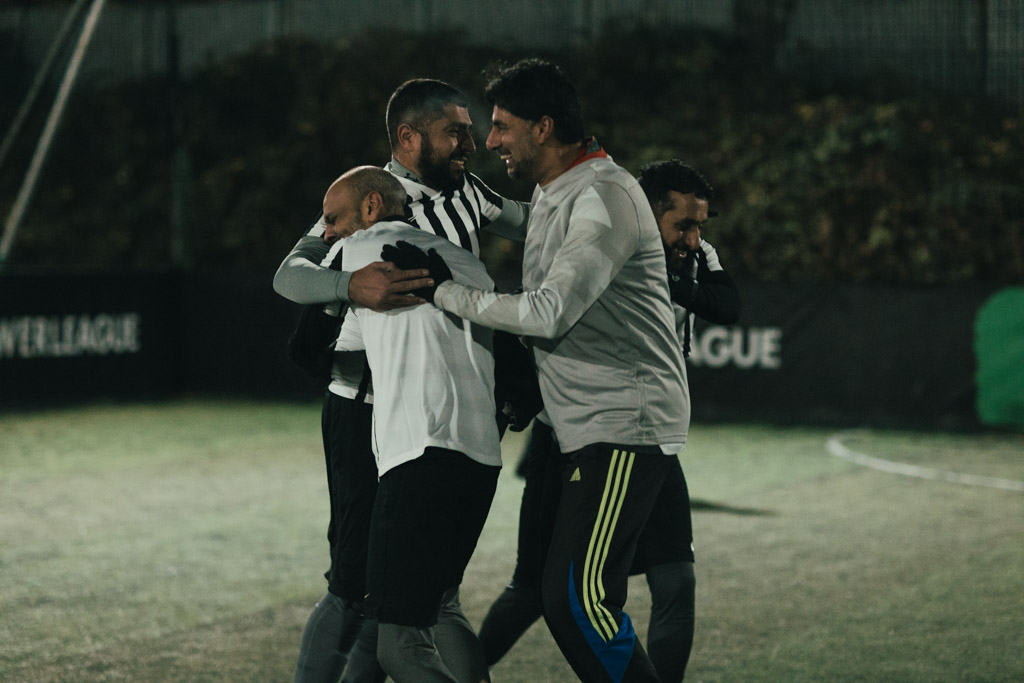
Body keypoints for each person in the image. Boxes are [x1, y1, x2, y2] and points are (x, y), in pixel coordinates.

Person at [394, 58, 690, 682]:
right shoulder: (564, 190)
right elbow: (522, 228)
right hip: (584, 428)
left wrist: (445, 291)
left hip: (623, 427)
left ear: (544, 127)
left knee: (578, 602)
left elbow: (551, 312)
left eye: (501, 126)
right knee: (557, 595)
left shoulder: (603, 194)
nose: (490, 140)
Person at [273, 78, 528, 683]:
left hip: (429, 419)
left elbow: (540, 220)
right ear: (409, 138)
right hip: (370, 412)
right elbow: (290, 274)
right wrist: (347, 288)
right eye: (456, 132)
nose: (473, 141)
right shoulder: (364, 206)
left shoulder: (471, 193)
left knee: (414, 600)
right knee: (365, 589)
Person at [476, 159, 742, 682]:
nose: (692, 239)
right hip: (573, 438)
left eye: (698, 227)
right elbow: (539, 313)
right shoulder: (598, 244)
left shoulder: (690, 257)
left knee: (676, 582)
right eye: (682, 225)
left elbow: (727, 304)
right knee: (535, 591)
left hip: (643, 437)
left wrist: (679, 271)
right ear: (644, 214)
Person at [323, 165, 501, 682]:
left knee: (398, 647)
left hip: (418, 456)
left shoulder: (359, 250)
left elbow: (296, 293)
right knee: (443, 609)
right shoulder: (466, 261)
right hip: (480, 459)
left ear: (372, 207)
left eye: (333, 218)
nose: (328, 230)